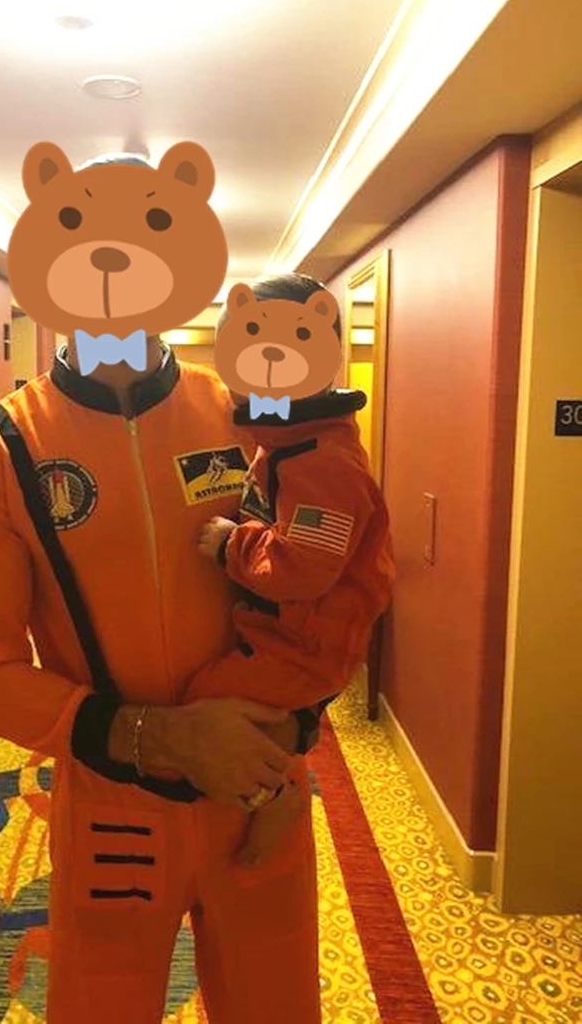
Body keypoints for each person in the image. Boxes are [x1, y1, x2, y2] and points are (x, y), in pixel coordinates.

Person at [0, 153, 326, 1024]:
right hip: (113, 808)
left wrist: (297, 729)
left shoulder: (248, 417)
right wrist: (159, 736)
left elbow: (327, 590)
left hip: (263, 787)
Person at [183, 273, 395, 867]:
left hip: (310, 640)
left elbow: (303, 569)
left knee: (206, 702)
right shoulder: (288, 438)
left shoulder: (323, 460)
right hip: (295, 629)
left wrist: (231, 544)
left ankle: (277, 793)